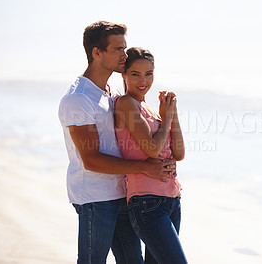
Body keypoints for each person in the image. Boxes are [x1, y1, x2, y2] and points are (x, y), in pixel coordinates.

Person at [58, 21, 176, 264]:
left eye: (125, 47)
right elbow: (90, 160)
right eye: (118, 49)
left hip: (121, 193)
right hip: (94, 198)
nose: (125, 54)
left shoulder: (107, 92)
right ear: (96, 53)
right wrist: (146, 167)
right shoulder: (79, 98)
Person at [114, 47, 188, 264]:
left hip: (172, 199)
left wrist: (172, 114)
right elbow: (152, 149)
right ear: (124, 75)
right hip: (146, 202)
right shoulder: (126, 103)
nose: (143, 80)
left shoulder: (151, 110)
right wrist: (165, 120)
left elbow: (180, 153)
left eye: (149, 73)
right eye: (135, 74)